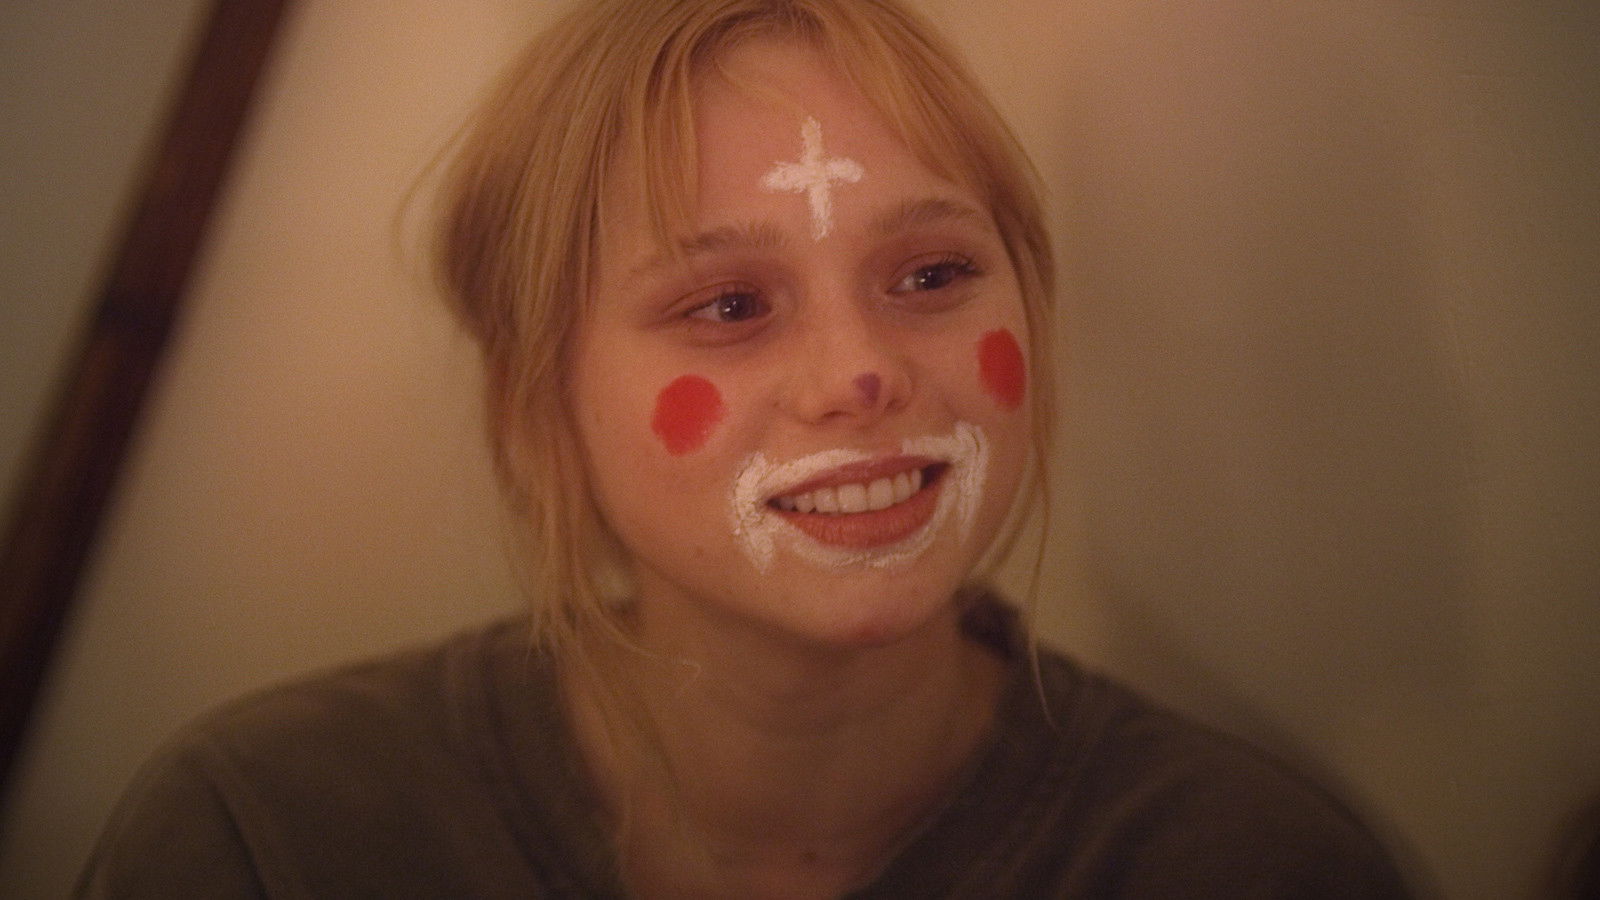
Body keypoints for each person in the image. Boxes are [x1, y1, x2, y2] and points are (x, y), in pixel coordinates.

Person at [79, 0, 1411, 896]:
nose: (860, 373)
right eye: (726, 306)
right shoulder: (264, 837)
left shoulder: (1251, 867)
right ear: (538, 406)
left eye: (933, 274)